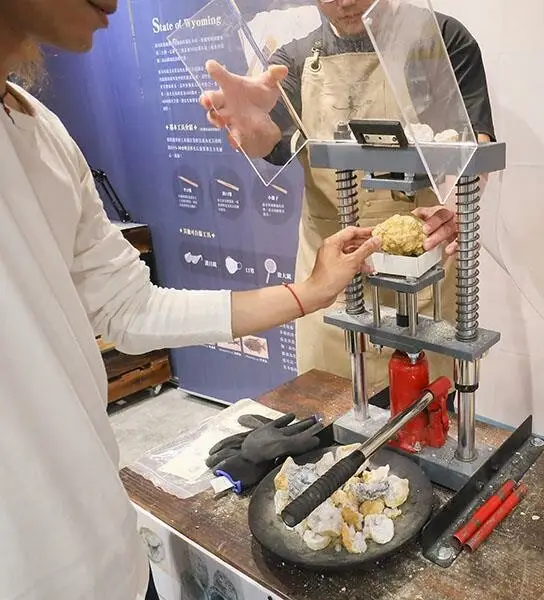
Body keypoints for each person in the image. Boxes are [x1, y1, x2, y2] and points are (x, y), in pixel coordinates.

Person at [0, 1, 380, 599]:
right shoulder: (301, 55)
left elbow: (131, 308)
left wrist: (309, 291)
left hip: (112, 561)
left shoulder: (38, 127)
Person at [201, 0, 496, 394]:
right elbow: (269, 140)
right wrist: (249, 127)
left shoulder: (440, 41)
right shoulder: (295, 60)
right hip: (332, 280)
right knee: (332, 407)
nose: (344, 2)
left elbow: (475, 147)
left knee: (424, 406)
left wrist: (457, 208)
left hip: (423, 270)